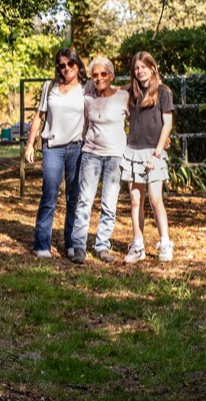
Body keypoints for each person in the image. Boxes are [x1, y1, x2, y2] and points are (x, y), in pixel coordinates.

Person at [23, 48, 86, 259]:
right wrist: (30, 144)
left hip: (77, 148)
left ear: (78, 65)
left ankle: (71, 243)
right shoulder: (50, 87)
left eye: (71, 64)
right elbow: (39, 116)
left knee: (73, 197)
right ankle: (42, 244)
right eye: (62, 65)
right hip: (53, 148)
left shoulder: (86, 88)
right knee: (49, 195)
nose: (66, 68)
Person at [70, 56, 129, 264]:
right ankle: (79, 246)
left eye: (104, 74)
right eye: (95, 75)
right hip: (91, 154)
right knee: (84, 200)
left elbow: (137, 118)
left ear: (111, 76)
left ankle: (102, 245)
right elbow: (83, 123)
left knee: (109, 203)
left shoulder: (123, 96)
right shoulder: (87, 97)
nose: (99, 78)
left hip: (115, 155)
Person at [122, 51, 174, 263]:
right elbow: (110, 93)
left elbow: (168, 124)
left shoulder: (163, 92)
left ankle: (165, 242)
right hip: (133, 150)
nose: (139, 71)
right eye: (136, 68)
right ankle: (138, 245)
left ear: (152, 68)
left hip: (154, 151)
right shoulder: (131, 93)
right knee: (135, 200)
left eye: (143, 67)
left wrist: (157, 153)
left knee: (155, 199)